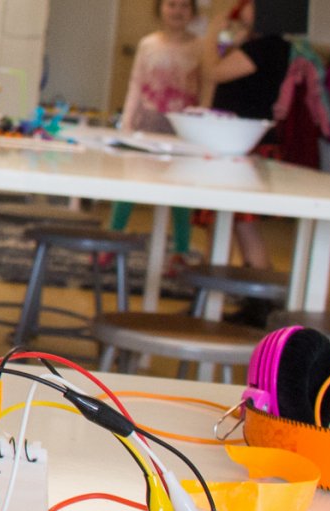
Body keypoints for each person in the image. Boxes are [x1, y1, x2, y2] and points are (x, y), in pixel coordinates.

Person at [202, 0, 292, 324]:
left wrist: (214, 32)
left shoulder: (265, 47)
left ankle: (261, 302)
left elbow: (212, 71)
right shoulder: (266, 46)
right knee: (239, 223)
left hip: (246, 145)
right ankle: (253, 301)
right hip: (243, 142)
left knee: (244, 223)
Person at [109, 0, 204, 268]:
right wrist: (127, 123)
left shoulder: (200, 47)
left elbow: (206, 86)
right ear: (160, 9)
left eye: (184, 6)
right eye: (171, 5)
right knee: (129, 186)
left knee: (181, 192)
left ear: (193, 12)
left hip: (182, 129)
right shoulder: (148, 44)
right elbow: (136, 84)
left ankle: (181, 251)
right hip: (147, 125)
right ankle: (112, 239)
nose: (177, 11)